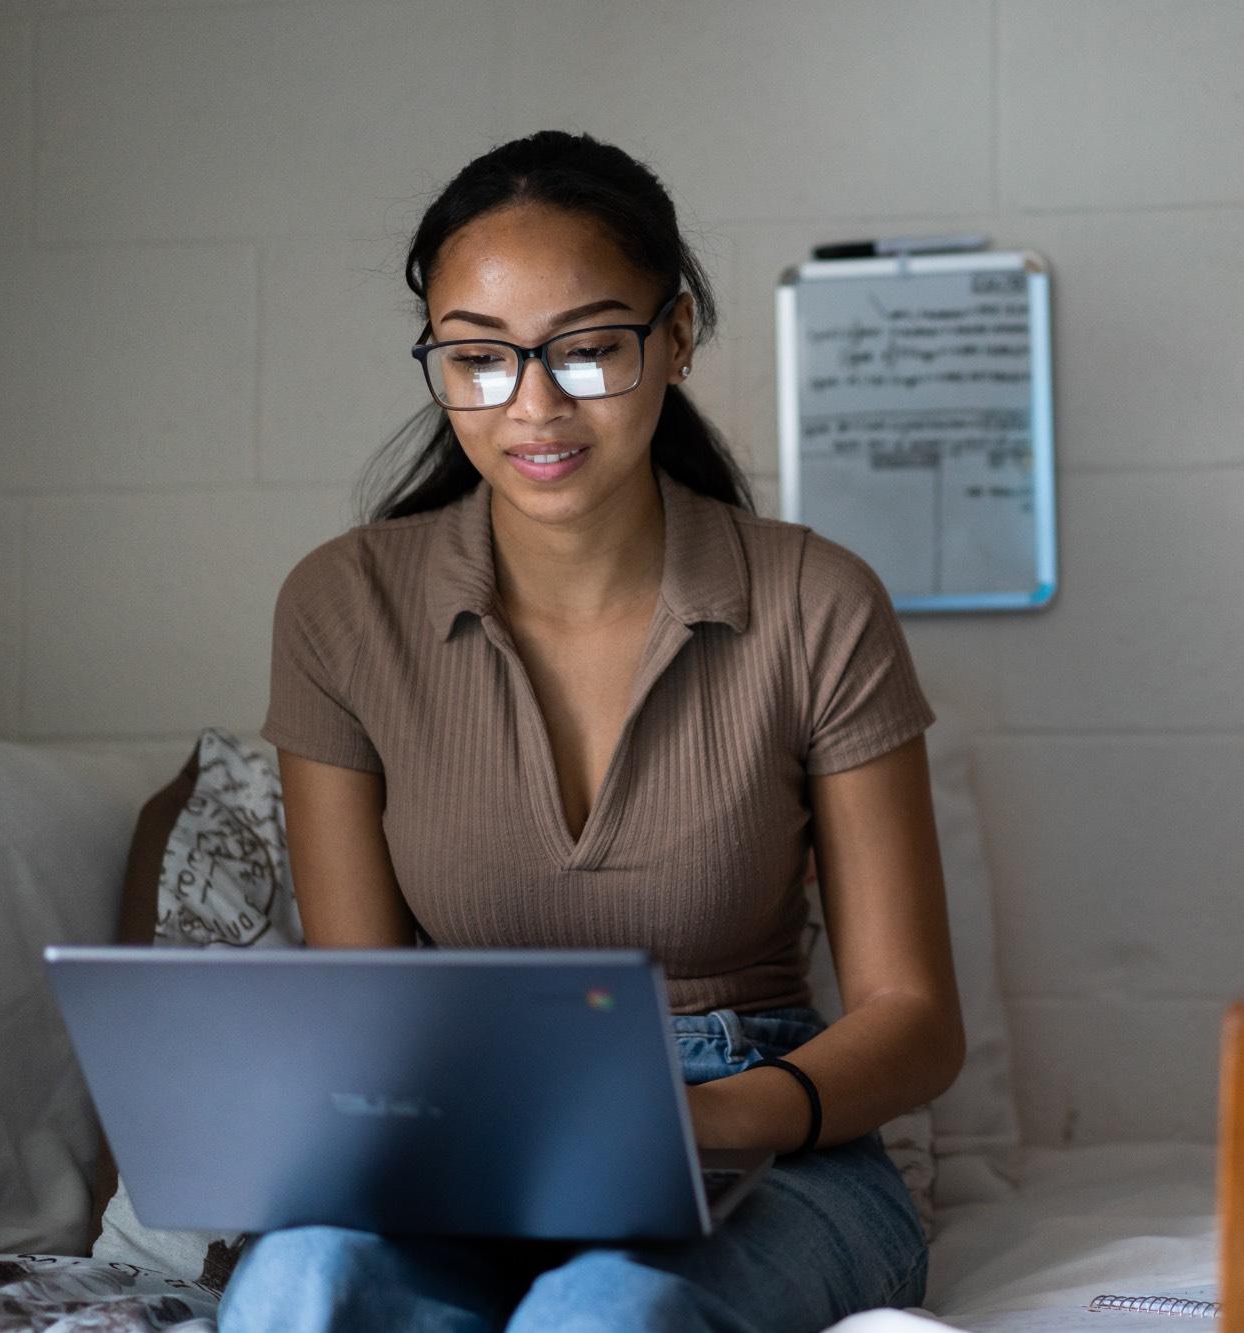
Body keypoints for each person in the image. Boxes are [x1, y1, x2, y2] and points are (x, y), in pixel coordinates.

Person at [216, 128, 963, 1332]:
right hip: (473, 1130)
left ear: (672, 339)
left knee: (606, 1312)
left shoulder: (818, 601)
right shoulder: (341, 605)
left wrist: (699, 1122)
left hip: (762, 1127)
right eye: (476, 360)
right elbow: (361, 1007)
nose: (533, 405)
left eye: (587, 349)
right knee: (298, 1288)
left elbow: (914, 1022)